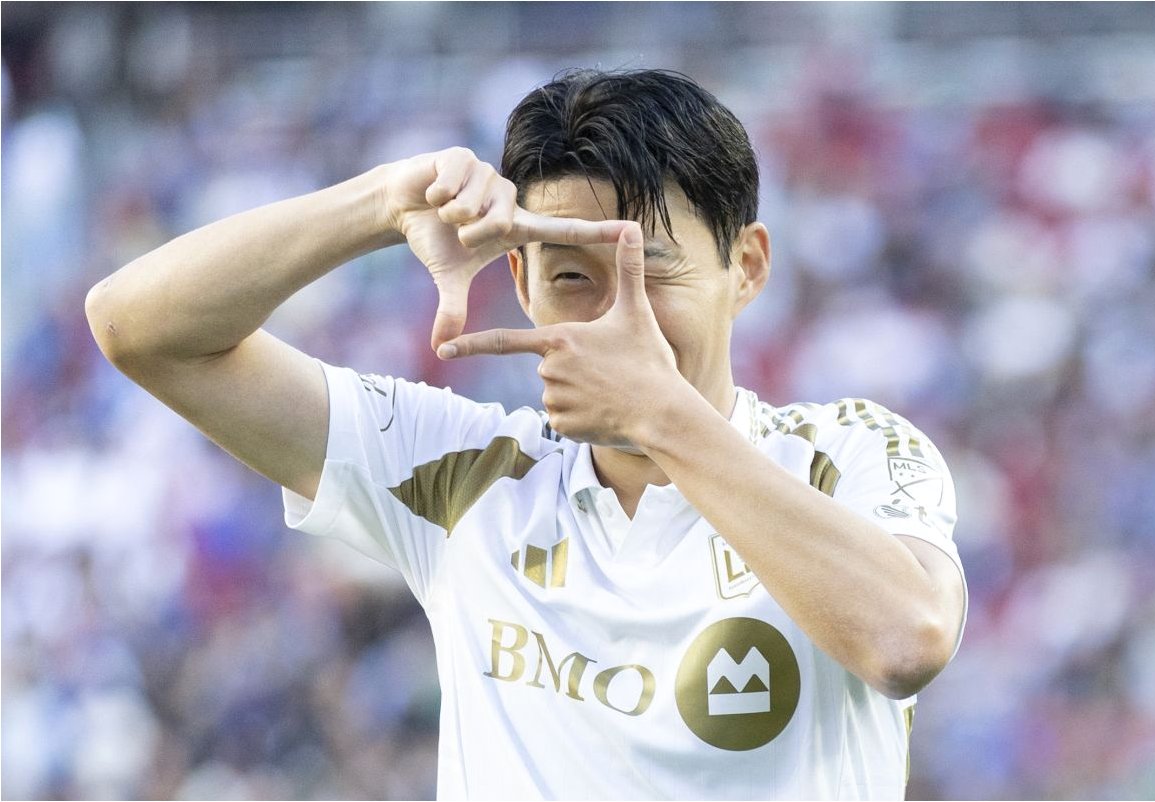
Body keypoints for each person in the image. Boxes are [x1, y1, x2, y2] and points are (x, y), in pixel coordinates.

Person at [86, 69, 967, 800]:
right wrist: (381, 203)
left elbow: (907, 641)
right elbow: (137, 328)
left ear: (747, 266)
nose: (612, 317)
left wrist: (660, 415)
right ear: (518, 279)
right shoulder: (466, 471)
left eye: (650, 272)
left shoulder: (847, 451)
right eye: (571, 277)